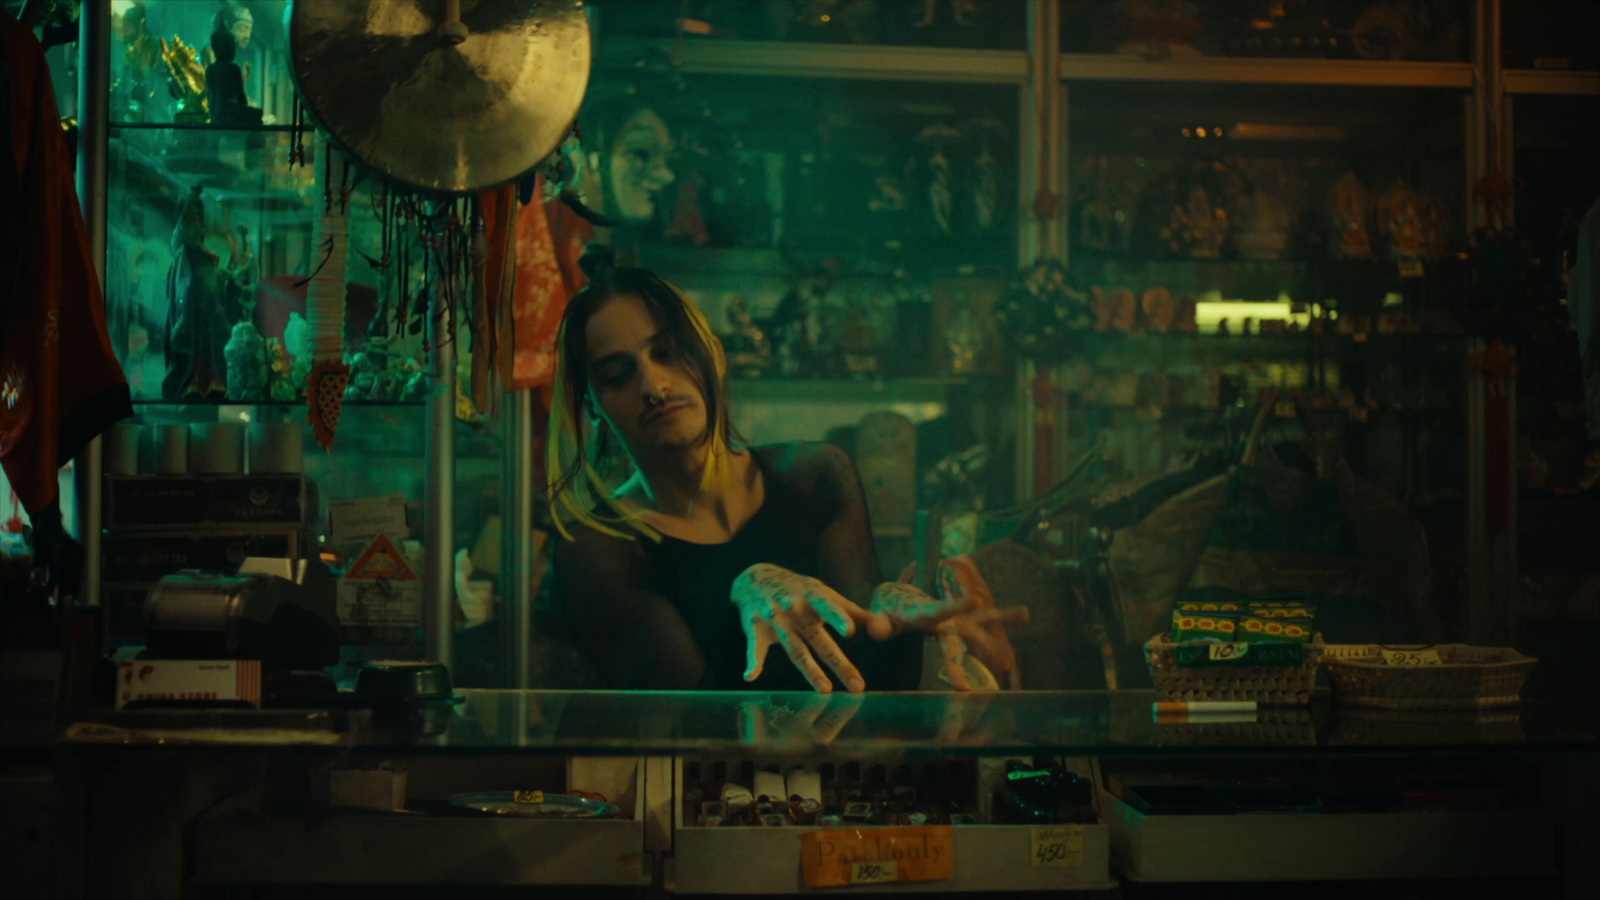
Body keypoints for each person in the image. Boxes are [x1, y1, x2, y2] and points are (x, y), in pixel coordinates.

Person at [547, 245, 1026, 692]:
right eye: (617, 374)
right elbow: (688, 723)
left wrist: (903, 614)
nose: (653, 384)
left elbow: (868, 673)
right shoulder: (595, 551)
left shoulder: (816, 474)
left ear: (714, 353)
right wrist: (741, 590)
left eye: (668, 353)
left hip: (841, 774)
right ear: (592, 405)